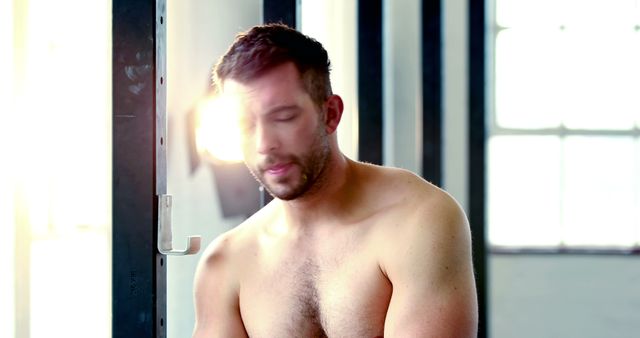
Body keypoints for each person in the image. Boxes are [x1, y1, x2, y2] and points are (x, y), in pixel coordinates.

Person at [192, 23, 478, 338]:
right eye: (244, 124)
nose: (264, 144)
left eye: (284, 117)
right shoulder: (226, 263)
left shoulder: (418, 220)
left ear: (330, 114)